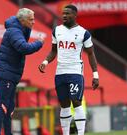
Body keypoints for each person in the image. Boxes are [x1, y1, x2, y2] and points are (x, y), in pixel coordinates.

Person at [38, 4, 99, 135]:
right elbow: (53, 51)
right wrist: (45, 61)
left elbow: (91, 53)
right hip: (60, 72)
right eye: (63, 13)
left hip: (75, 72)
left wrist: (95, 75)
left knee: (76, 101)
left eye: (67, 13)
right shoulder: (56, 30)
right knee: (64, 104)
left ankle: (81, 133)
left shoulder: (84, 33)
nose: (64, 16)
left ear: (75, 15)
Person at [0, 8, 44, 135]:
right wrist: (39, 43)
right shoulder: (14, 31)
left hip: (10, 74)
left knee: (9, 107)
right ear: (23, 20)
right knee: (2, 106)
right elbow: (23, 48)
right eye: (31, 19)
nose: (34, 22)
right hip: (6, 73)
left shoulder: (20, 28)